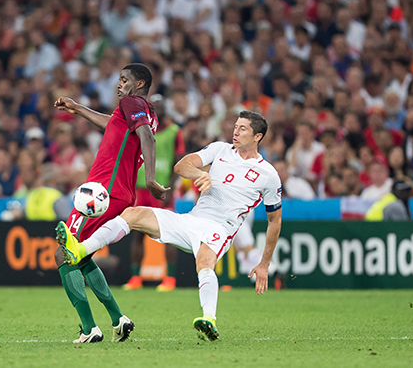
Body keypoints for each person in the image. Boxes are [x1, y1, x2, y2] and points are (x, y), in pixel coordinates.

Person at [59, 111, 282, 341]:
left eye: (243, 128)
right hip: (191, 220)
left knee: (204, 262)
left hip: (220, 228)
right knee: (133, 214)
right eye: (236, 126)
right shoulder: (220, 150)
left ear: (258, 136)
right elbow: (181, 165)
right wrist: (199, 174)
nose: (236, 131)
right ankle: (81, 250)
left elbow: (274, 221)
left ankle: (209, 319)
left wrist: (264, 264)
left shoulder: (268, 175)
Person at [52, 63, 168, 343]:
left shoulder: (132, 102)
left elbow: (147, 138)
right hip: (119, 192)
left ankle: (89, 328)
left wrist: (150, 179)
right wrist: (77, 108)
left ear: (139, 84)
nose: (119, 84)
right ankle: (118, 319)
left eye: (124, 79)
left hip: (103, 191)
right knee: (82, 254)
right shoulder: (144, 112)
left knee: (64, 253)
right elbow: (116, 125)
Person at [124, 95, 185, 292]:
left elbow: (179, 160)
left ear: (165, 108)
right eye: (153, 107)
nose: (157, 110)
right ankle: (135, 278)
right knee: (138, 233)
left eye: (159, 106)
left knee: (168, 232)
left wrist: (171, 187)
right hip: (140, 189)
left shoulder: (174, 131)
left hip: (163, 189)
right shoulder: (140, 128)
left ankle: (170, 278)